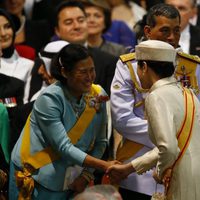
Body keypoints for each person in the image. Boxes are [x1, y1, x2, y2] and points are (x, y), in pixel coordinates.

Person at [9, 44, 118, 200]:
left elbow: (101, 142)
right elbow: (63, 147)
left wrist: (86, 176)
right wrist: (105, 166)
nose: (90, 77)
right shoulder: (50, 99)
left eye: (92, 70)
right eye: (82, 72)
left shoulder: (98, 94)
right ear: (64, 72)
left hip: (73, 177)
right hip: (36, 174)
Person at [108, 40, 200, 200]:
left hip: (178, 177)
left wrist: (160, 170)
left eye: (138, 66)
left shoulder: (157, 96)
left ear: (143, 67)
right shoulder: (188, 93)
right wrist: (130, 168)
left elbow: (168, 147)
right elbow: (173, 142)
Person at [110, 3, 181, 200]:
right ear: (148, 31)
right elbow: (122, 119)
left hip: (181, 167)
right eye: (165, 30)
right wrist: (169, 137)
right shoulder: (129, 66)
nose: (172, 38)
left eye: (177, 31)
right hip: (136, 169)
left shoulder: (192, 67)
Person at [53, 0, 118, 96]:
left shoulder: (109, 61)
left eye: (81, 20)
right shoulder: (47, 59)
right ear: (57, 30)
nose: (76, 26)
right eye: (68, 22)